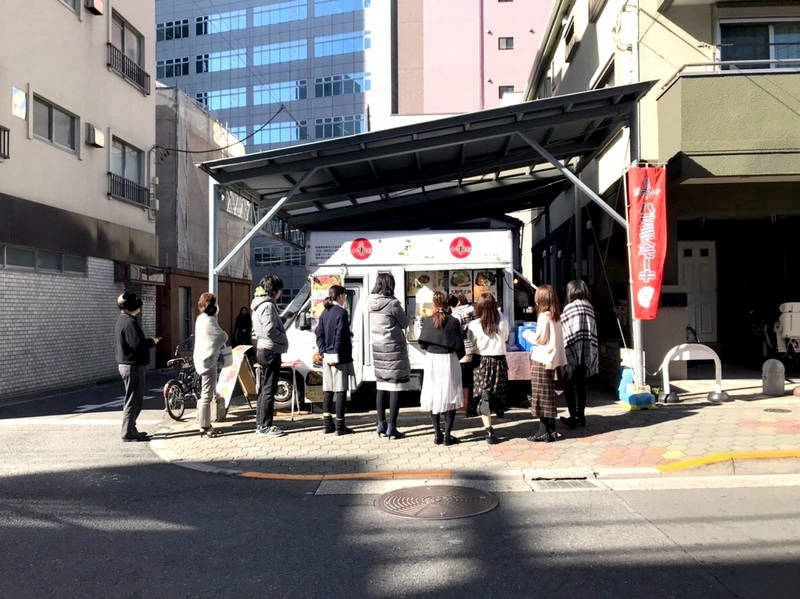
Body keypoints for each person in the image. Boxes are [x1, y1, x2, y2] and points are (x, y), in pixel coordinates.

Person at [419, 291, 466, 445]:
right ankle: (447, 436)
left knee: (433, 395)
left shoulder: (427, 321)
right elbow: (460, 347)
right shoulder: (453, 322)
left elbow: (422, 343)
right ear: (447, 304)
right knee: (449, 396)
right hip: (449, 359)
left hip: (432, 359)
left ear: (434, 303)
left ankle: (437, 433)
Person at [368, 273, 411, 440]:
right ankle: (392, 428)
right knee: (395, 388)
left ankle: (380, 424)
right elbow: (405, 323)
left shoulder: (370, 302)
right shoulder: (392, 304)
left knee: (381, 386)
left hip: (378, 348)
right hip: (393, 349)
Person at [114, 291, 160, 442]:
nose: (139, 305)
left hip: (127, 364)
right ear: (130, 306)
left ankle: (131, 429)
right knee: (134, 400)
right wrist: (152, 341)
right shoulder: (130, 322)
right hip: (133, 365)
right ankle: (128, 432)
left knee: (132, 398)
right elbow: (137, 345)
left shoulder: (122, 320)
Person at [467, 293, 508, 445]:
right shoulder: (503, 319)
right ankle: (494, 418)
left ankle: (489, 430)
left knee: (484, 396)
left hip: (481, 362)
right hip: (499, 361)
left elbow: (470, 344)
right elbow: (506, 338)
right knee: (495, 394)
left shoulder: (473, 325)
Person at [251, 275, 289, 438]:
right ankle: (265, 426)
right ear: (275, 291)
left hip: (264, 349)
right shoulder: (267, 305)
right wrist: (283, 337)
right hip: (270, 350)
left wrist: (284, 319)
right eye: (280, 290)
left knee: (264, 388)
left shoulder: (260, 304)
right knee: (269, 389)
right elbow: (270, 330)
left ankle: (261, 424)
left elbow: (270, 324)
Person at [315, 284, 355, 436]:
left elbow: (318, 333)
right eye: (344, 296)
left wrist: (323, 351)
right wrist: (334, 353)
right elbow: (341, 335)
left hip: (326, 357)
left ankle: (327, 425)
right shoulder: (342, 312)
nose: (345, 298)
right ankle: (340, 426)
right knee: (340, 391)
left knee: (328, 390)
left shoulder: (325, 312)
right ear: (340, 296)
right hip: (340, 357)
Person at [529, 284, 567, 442]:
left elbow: (540, 339)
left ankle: (543, 431)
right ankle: (550, 430)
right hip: (553, 360)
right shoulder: (556, 316)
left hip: (542, 359)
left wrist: (526, 334)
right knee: (548, 396)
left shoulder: (544, 316)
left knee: (540, 397)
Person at [560, 280, 599, 429]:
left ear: (570, 291)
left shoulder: (569, 308)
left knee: (569, 384)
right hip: (586, 352)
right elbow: (592, 331)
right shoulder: (589, 307)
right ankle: (581, 416)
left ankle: (573, 416)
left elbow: (564, 330)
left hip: (571, 351)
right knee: (581, 385)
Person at [192, 292, 228, 438]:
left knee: (205, 393)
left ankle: (204, 424)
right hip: (208, 362)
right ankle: (205, 426)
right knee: (206, 395)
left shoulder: (200, 318)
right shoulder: (209, 320)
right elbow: (222, 336)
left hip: (200, 359)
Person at [451, 293, 477, 415]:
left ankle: (462, 406)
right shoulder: (475, 312)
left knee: (461, 380)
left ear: (459, 302)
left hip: (463, 351)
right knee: (472, 380)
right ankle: (471, 408)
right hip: (475, 348)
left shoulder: (457, 314)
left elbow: (456, 333)